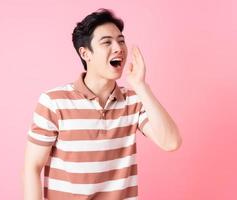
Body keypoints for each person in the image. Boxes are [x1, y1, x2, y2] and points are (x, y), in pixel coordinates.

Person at [22, 8, 182, 200]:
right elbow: (32, 167)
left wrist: (141, 86)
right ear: (85, 53)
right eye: (107, 42)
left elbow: (171, 142)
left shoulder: (134, 101)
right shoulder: (53, 102)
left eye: (121, 41)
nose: (118, 48)